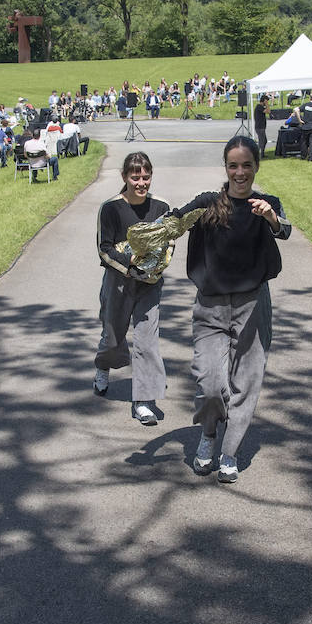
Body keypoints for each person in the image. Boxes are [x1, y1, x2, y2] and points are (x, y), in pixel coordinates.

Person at [167, 136, 291, 483]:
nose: (240, 172)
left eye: (246, 165)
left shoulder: (266, 204)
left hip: (253, 305)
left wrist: (272, 218)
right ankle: (208, 435)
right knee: (210, 383)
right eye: (233, 165)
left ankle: (229, 452)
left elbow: (285, 231)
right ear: (225, 167)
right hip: (211, 306)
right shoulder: (209, 203)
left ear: (256, 167)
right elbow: (173, 222)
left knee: (246, 382)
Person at [93, 152, 171, 426]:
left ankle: (143, 401)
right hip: (118, 283)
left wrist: (155, 267)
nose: (141, 182)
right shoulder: (111, 208)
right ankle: (103, 366)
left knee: (147, 342)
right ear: (124, 177)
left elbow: (167, 243)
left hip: (149, 285)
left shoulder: (161, 207)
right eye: (135, 177)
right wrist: (131, 267)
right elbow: (104, 250)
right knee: (113, 337)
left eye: (145, 177)